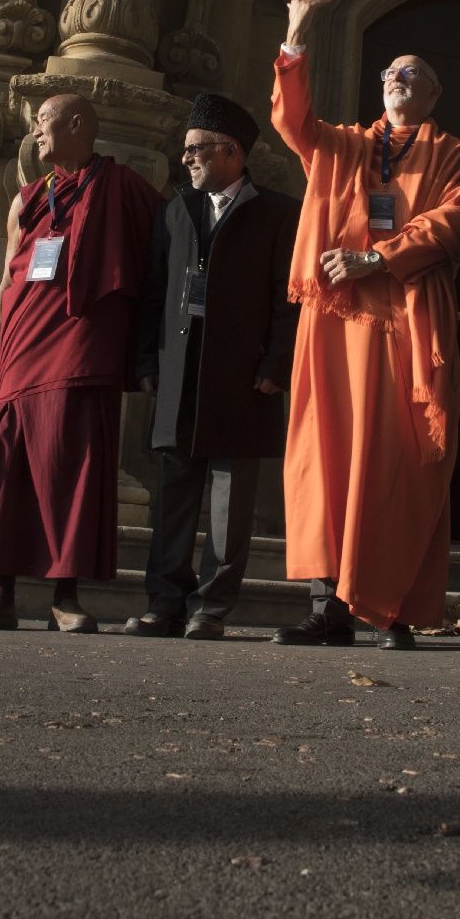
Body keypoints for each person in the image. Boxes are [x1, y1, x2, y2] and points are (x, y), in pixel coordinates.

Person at [270, 0, 460, 649]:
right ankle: (325, 606)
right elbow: (292, 124)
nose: (395, 78)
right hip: (336, 322)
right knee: (326, 456)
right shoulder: (342, 146)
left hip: (408, 319)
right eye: (388, 71)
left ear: (434, 92)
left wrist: (375, 257)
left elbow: (452, 222)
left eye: (411, 72)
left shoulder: (453, 153)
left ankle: (394, 609)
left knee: (402, 460)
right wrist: (296, 35)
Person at [0, 93, 161, 633]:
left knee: (71, 463)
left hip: (80, 341)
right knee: (6, 465)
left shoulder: (125, 189)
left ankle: (65, 597)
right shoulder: (25, 200)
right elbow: (5, 282)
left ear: (76, 125)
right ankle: (0, 593)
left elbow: (158, 269)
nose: (36, 133)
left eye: (43, 122)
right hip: (21, 349)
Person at [127, 93, 299, 640]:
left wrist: (276, 365)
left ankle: (212, 609)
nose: (187, 160)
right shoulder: (175, 209)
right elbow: (154, 292)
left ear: (230, 152)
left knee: (230, 503)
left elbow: (286, 298)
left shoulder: (277, 212)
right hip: (180, 374)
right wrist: (147, 361)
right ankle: (164, 604)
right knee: (173, 498)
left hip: (244, 378)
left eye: (195, 150)